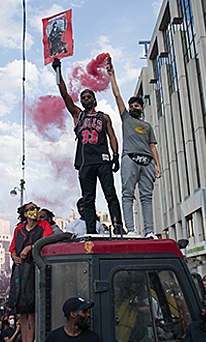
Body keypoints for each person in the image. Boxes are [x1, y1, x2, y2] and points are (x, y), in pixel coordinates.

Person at [53, 57, 123, 235]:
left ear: (94, 100)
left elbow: (112, 136)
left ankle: (118, 226)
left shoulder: (104, 116)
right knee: (88, 198)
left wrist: (116, 155)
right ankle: (91, 229)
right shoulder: (78, 115)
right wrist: (58, 71)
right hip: (85, 163)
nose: (85, 99)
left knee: (110, 194)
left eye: (89, 97)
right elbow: (64, 95)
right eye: (83, 97)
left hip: (103, 160)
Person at [107, 60, 161, 237]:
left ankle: (150, 231)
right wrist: (112, 75)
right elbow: (117, 96)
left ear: (142, 109)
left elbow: (152, 146)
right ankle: (130, 229)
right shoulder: (126, 119)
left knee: (147, 197)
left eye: (136, 106)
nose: (133, 108)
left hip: (148, 162)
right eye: (131, 106)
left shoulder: (147, 126)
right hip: (130, 158)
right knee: (128, 194)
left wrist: (158, 165)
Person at [8, 202, 53, 342]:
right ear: (26, 214)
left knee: (32, 312)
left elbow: (48, 242)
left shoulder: (44, 225)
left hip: (36, 270)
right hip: (20, 271)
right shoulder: (18, 229)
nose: (35, 211)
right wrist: (15, 257)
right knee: (22, 312)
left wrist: (30, 248)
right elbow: (13, 249)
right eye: (32, 209)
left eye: (36, 208)